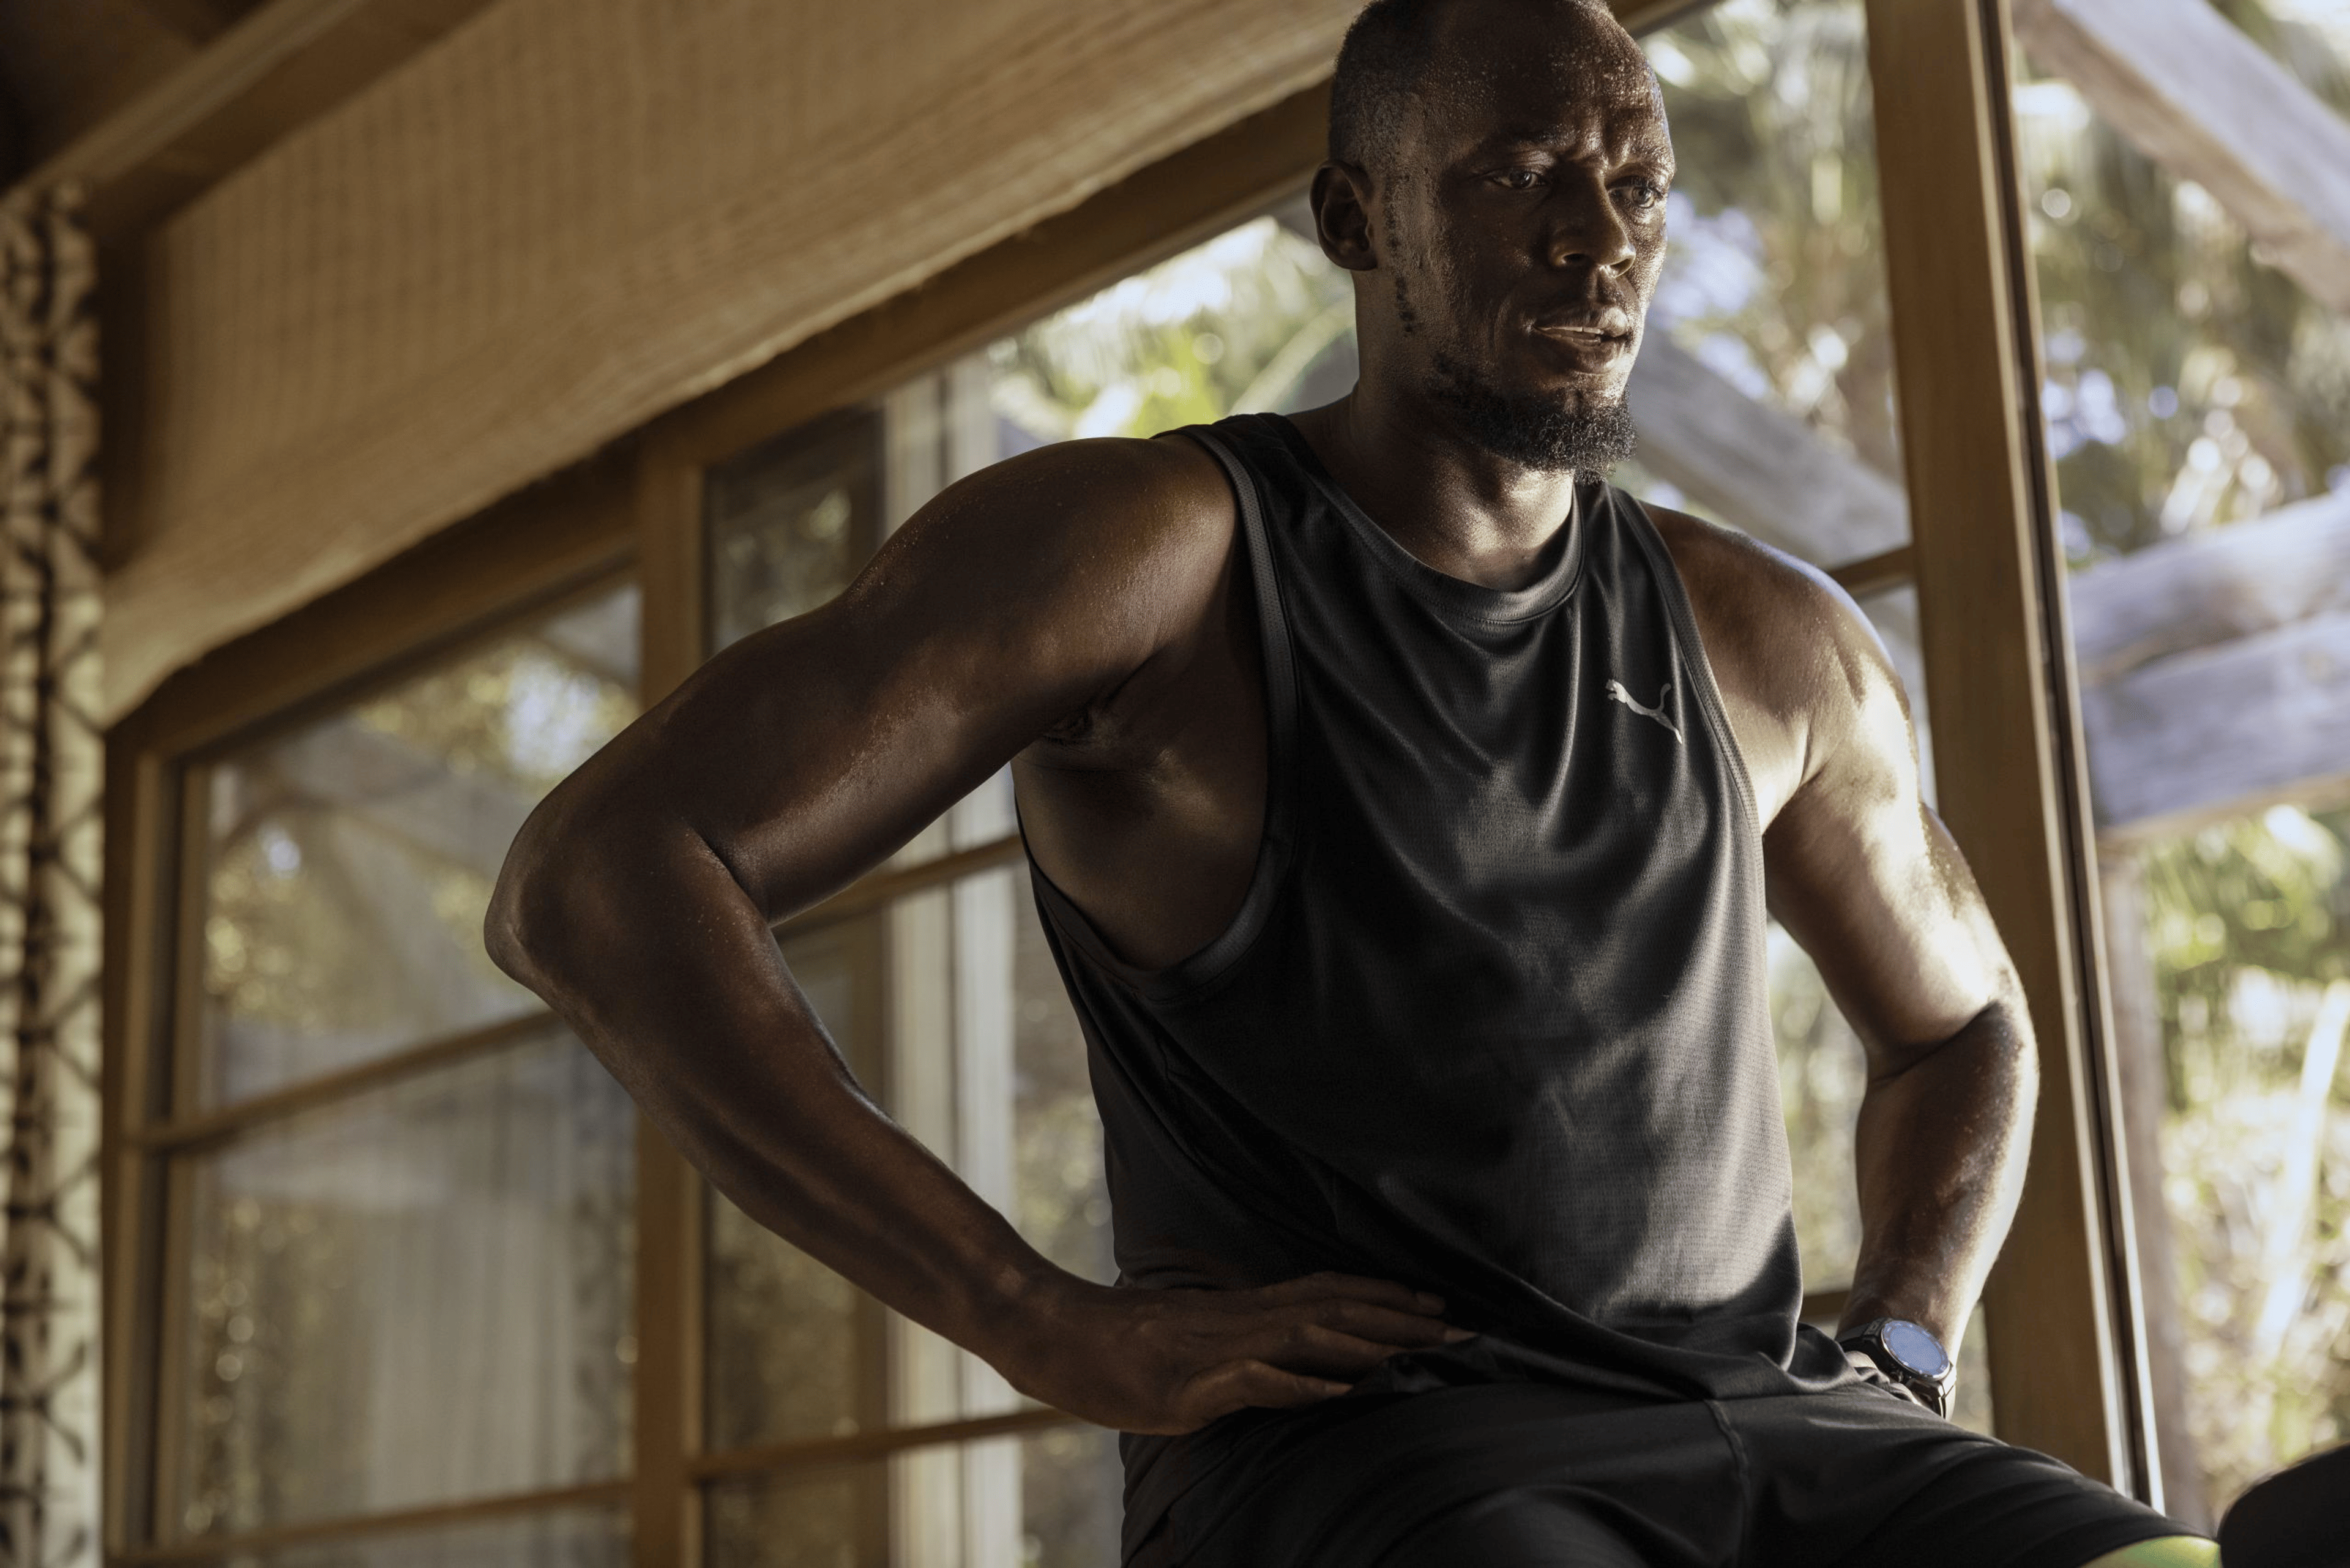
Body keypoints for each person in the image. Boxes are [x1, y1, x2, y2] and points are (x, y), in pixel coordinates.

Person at [487, 1, 2220, 1561]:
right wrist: (1031, 1316)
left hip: (1787, 1430)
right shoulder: (1148, 557)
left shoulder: (1769, 641)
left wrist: (1909, 1334)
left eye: (1639, 179)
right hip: (1384, 1468)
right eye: (1522, 174)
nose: (1600, 237)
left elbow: (1967, 1027)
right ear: (1353, 222)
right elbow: (600, 875)